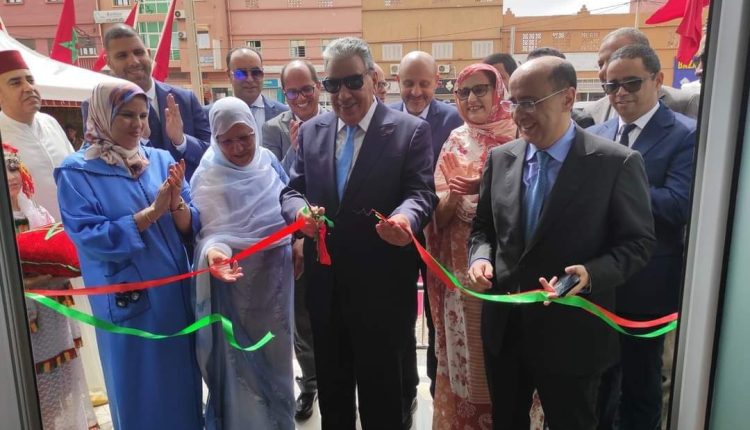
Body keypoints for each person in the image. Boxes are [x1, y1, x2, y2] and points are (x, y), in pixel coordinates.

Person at [468, 56, 656, 430]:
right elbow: (483, 229)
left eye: (529, 102)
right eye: (514, 102)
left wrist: (590, 274)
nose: (519, 114)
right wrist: (480, 259)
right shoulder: (501, 159)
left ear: (568, 98)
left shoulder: (614, 163)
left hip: (573, 337)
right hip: (507, 331)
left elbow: (638, 243)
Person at [280, 37, 437, 429]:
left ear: (372, 78)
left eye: (352, 82)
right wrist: (299, 214)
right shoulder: (312, 131)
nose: (343, 94)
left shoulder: (410, 131)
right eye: (333, 85)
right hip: (325, 288)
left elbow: (421, 193)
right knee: (334, 399)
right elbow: (292, 189)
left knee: (382, 400)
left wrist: (405, 219)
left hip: (382, 291)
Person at [55, 81, 203, 430]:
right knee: (140, 391)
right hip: (129, 303)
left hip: (176, 298)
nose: (137, 124)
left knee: (182, 388)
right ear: (102, 116)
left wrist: (176, 205)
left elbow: (192, 221)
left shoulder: (160, 159)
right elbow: (89, 236)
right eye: (126, 115)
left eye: (142, 115)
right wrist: (150, 213)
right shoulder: (76, 172)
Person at [426, 63, 540, 428]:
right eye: (464, 92)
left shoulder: (523, 134)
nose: (472, 98)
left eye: (480, 89)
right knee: (469, 362)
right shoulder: (455, 141)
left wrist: (485, 185)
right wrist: (454, 195)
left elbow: (535, 204)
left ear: (498, 91)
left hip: (511, 271)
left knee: (510, 363)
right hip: (461, 275)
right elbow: (437, 218)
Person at [588, 44, 696, 430]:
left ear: (658, 80)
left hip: (648, 282)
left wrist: (619, 189)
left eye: (631, 83)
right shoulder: (595, 134)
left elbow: (678, 205)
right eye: (611, 86)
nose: (620, 93)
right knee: (596, 385)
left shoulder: (685, 134)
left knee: (640, 388)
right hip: (597, 280)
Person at [191, 96, 294, 429]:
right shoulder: (209, 174)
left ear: (254, 131)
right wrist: (214, 254)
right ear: (215, 139)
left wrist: (298, 242)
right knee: (242, 365)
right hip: (237, 283)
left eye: (244, 137)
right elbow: (212, 232)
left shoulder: (268, 161)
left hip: (277, 282)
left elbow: (288, 205)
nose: (237, 148)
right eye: (227, 141)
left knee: (278, 360)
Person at [388, 50, 463, 416]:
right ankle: (405, 395)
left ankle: (438, 394)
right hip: (399, 236)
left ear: (437, 82)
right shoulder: (385, 119)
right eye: (408, 83)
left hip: (442, 237)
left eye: (424, 83)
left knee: (437, 319)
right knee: (401, 316)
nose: (416, 92)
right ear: (396, 83)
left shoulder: (453, 120)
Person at [4, 143, 99, 430]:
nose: (11, 177)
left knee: (63, 383)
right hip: (21, 317)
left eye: (14, 169)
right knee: (29, 384)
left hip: (52, 311)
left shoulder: (38, 213)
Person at [261, 59, 325, 421]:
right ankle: (311, 384)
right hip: (292, 237)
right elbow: (275, 182)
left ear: (318, 87)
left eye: (306, 89)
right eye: (292, 92)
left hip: (331, 234)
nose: (300, 97)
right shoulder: (272, 129)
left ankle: (342, 380)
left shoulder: (338, 122)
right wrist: (295, 149)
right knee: (302, 317)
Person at [86, 24, 210, 180]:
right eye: (122, 56)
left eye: (138, 52)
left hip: (188, 193)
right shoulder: (97, 106)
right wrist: (140, 140)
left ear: (149, 54)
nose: (133, 61)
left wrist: (181, 141)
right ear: (109, 62)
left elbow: (212, 154)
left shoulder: (185, 99)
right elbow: (98, 161)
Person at [0, 50, 74, 220]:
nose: (29, 88)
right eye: (15, 83)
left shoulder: (50, 122)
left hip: (76, 228)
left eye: (30, 80)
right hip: (27, 233)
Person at [585, 27, 700, 124]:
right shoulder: (593, 112)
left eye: (615, 59)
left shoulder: (685, 103)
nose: (605, 71)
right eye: (600, 64)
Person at [220, 47, 289, 145]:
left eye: (256, 73)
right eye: (241, 74)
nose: (250, 79)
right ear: (229, 75)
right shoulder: (212, 115)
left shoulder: (284, 114)